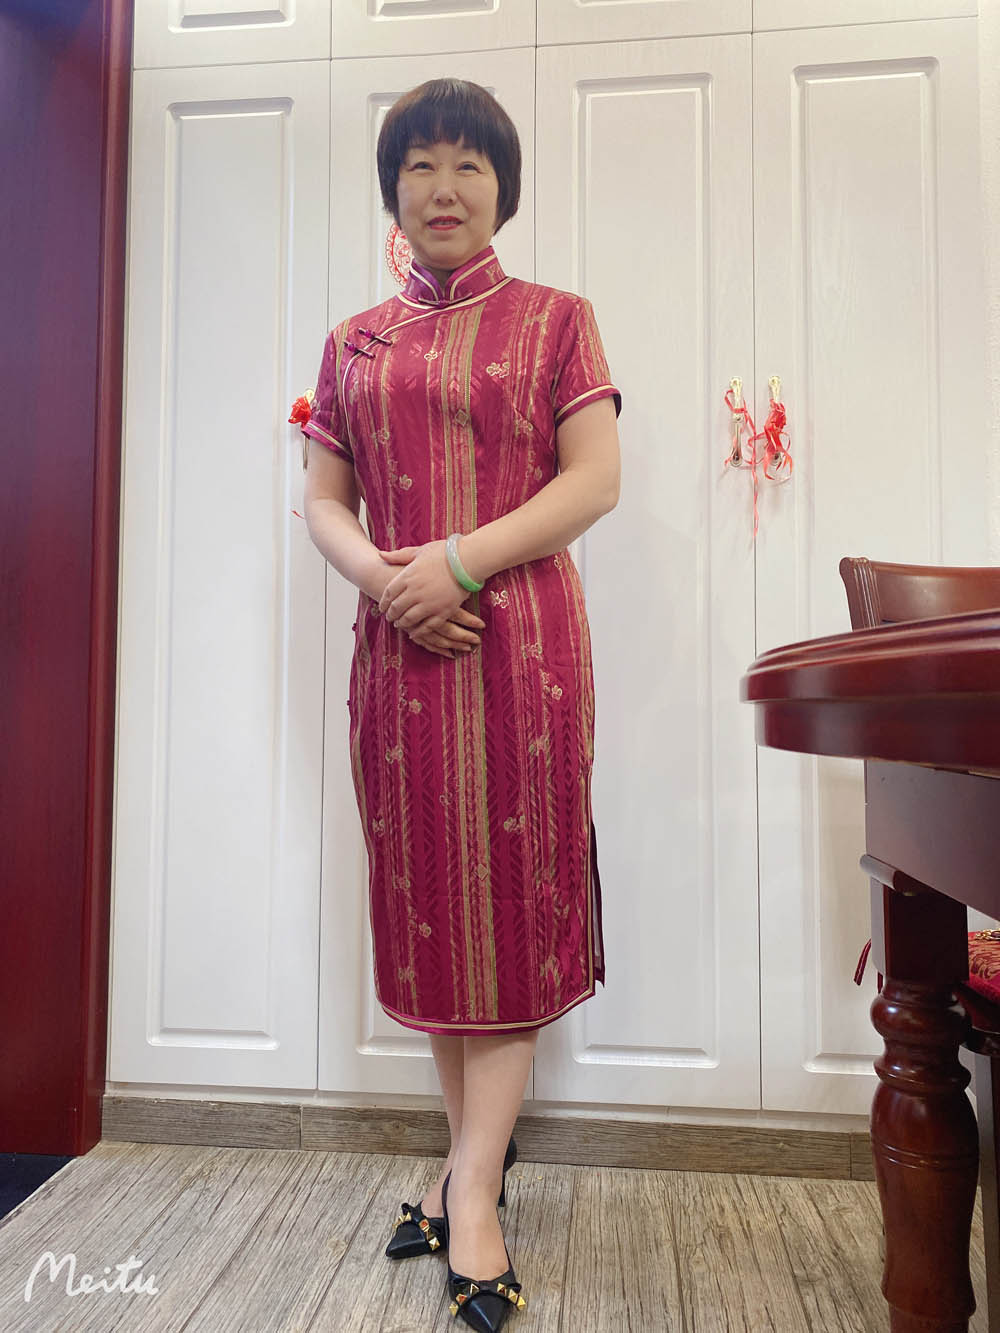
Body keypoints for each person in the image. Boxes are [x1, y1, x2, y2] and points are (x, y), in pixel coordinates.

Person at [298, 77, 621, 1331]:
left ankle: (472, 1193)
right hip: (399, 655)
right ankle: (463, 1165)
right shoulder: (353, 343)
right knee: (435, 914)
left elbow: (592, 481)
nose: (444, 187)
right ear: (393, 191)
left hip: (520, 653)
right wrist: (392, 581)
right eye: (421, 165)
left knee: (513, 908)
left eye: (469, 165)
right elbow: (324, 499)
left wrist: (457, 563)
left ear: (503, 189)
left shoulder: (558, 320)